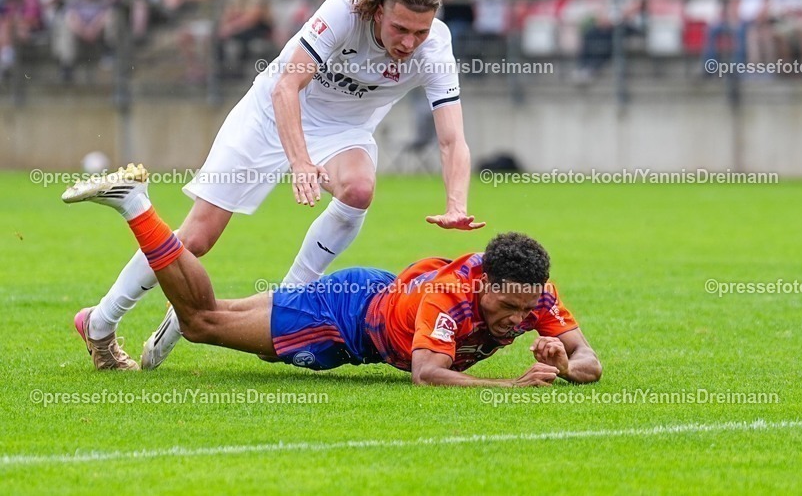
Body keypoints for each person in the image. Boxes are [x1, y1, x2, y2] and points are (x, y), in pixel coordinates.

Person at [76, 0, 484, 371]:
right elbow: (287, 86)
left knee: (359, 189)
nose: (409, 42)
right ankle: (99, 323)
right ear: (379, 12)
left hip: (342, 131)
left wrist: (456, 204)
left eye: (420, 32)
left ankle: (288, 300)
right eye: (400, 29)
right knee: (197, 238)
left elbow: (452, 138)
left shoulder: (435, 47)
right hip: (269, 116)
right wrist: (300, 161)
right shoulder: (344, 10)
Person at [65, 166, 600, 387]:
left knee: (209, 314)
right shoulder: (451, 297)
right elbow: (427, 374)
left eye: (526, 311)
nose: (518, 320)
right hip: (342, 321)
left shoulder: (530, 290)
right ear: (484, 284)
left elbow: (588, 360)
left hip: (373, 291)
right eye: (508, 308)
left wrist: (566, 366)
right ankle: (135, 205)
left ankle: (156, 308)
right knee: (202, 322)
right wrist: (510, 384)